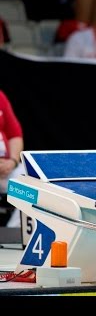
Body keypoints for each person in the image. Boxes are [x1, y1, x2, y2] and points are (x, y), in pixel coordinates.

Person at [0, 90, 24, 227]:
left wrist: (13, 161)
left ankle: (15, 232)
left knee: (33, 181)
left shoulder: (0, 96)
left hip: (6, 168)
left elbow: (15, 135)